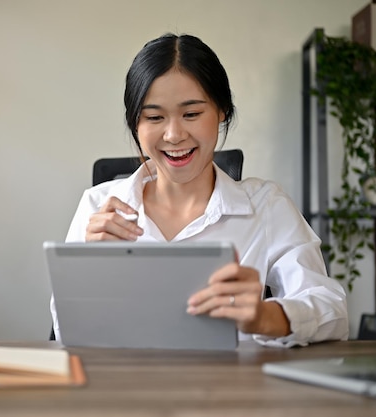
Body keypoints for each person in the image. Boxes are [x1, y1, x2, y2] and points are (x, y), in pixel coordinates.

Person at [51, 33, 348, 347]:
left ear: (221, 111)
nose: (174, 135)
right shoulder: (97, 206)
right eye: (154, 117)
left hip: (230, 391)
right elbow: (64, 331)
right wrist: (86, 271)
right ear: (135, 125)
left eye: (191, 114)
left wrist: (264, 316)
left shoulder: (266, 206)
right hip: (126, 388)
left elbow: (333, 311)